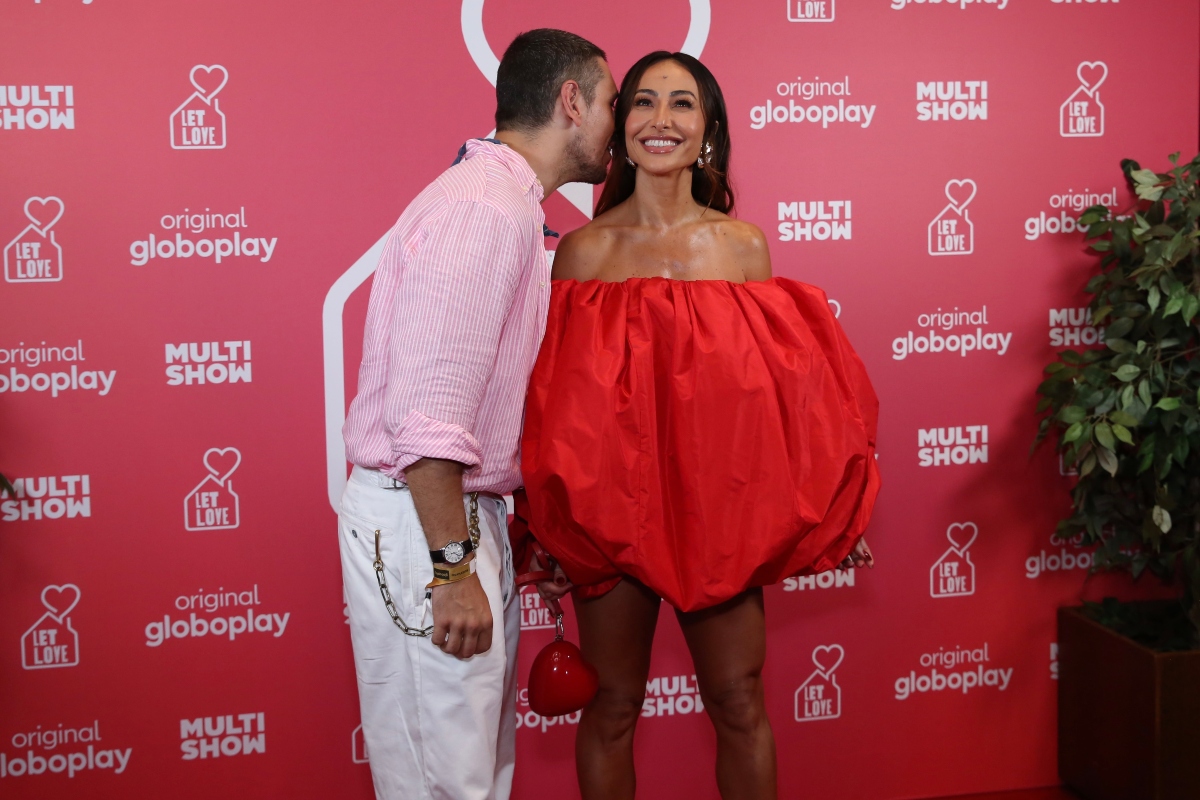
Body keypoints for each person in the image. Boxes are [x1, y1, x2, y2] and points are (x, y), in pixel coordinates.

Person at [518, 51, 880, 799]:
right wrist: (551, 524)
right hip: (608, 519)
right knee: (613, 707)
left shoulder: (741, 249)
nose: (661, 119)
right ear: (618, 127)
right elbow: (555, 407)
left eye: (682, 104)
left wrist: (832, 505)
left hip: (723, 518)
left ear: (707, 129)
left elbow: (788, 397)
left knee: (740, 702)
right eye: (643, 102)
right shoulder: (582, 255)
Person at [338, 29, 617, 800]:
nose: (616, 125)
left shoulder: (503, 203)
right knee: (446, 783)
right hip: (428, 525)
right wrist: (451, 567)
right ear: (571, 102)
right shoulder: (484, 210)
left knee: (472, 775)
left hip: (452, 518)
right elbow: (430, 416)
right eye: (611, 102)